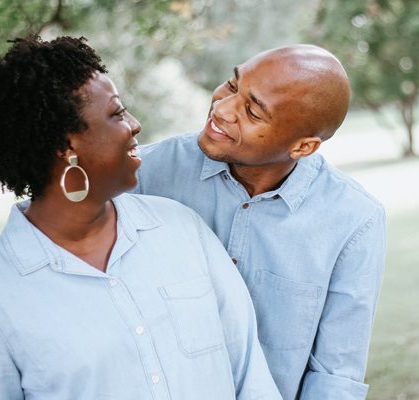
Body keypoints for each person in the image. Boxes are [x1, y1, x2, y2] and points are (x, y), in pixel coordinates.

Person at [0, 36, 281, 400]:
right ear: (66, 145)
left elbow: (249, 374)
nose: (134, 125)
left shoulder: (182, 228)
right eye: (116, 113)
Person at [134, 45, 386, 399]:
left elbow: (335, 375)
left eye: (252, 111)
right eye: (231, 85)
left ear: (303, 147)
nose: (221, 109)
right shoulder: (143, 176)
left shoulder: (355, 221)